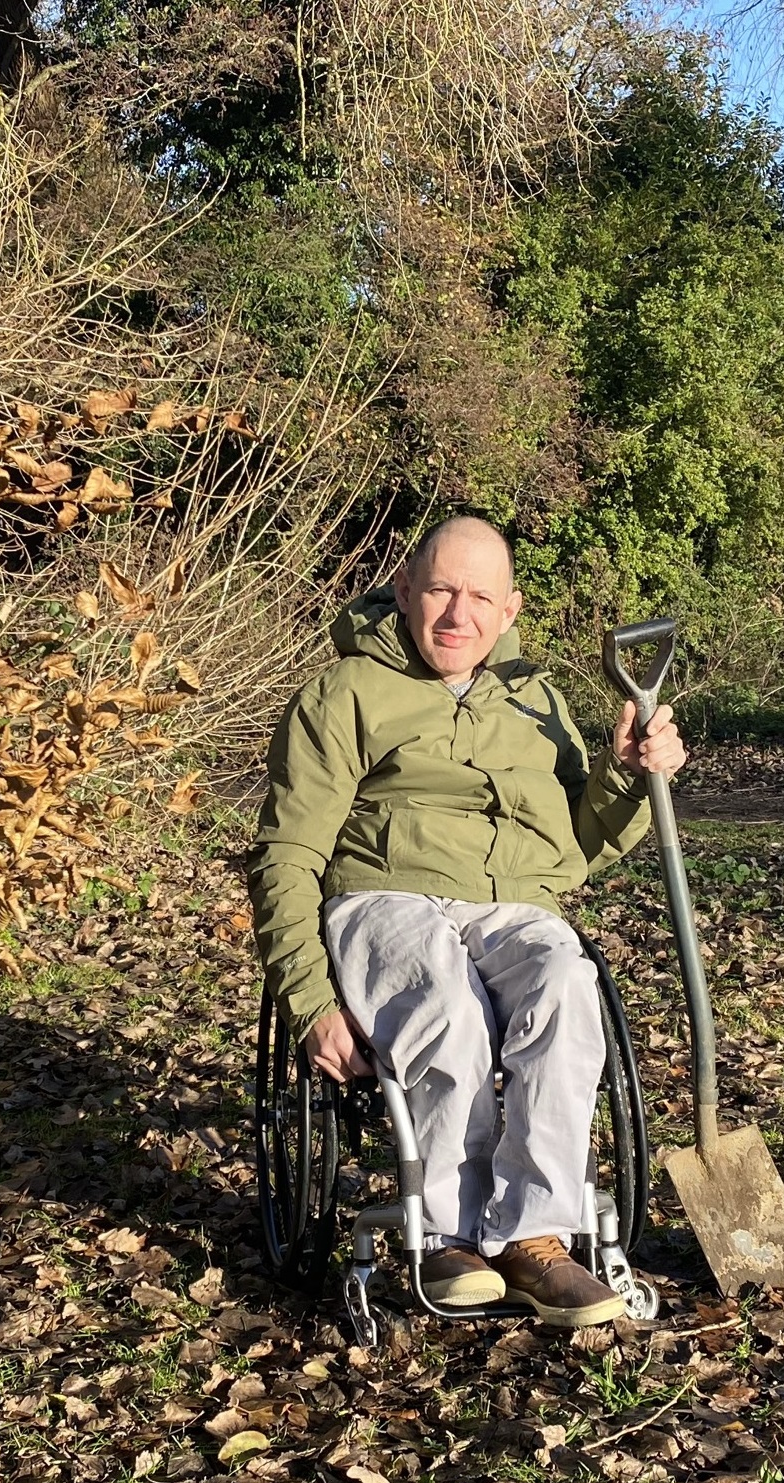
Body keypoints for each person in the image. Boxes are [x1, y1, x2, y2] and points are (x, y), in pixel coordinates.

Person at [247, 516, 684, 1326]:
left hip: (513, 903)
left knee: (565, 981)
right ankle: (448, 1234)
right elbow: (286, 854)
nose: (459, 614)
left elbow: (576, 849)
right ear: (405, 590)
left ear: (510, 610)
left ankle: (535, 1240)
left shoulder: (537, 702)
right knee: (443, 1003)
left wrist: (627, 776)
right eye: (442, 589)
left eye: (481, 596)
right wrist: (309, 1002)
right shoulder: (344, 693)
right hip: (385, 896)